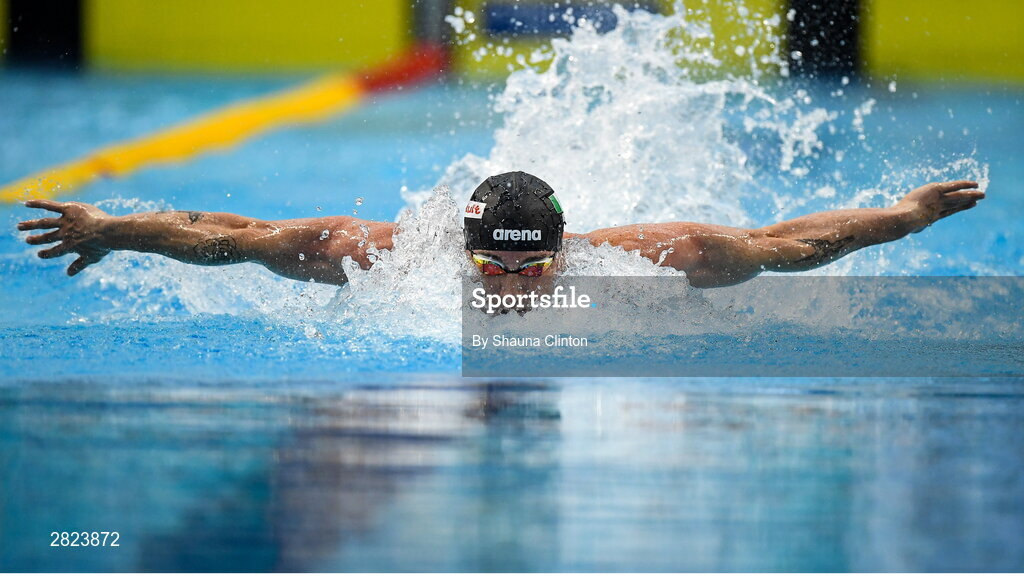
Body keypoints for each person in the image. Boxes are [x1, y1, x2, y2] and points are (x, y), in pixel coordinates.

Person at [17, 171, 983, 291]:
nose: (511, 290)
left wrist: (903, 215)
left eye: (533, 271)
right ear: (466, 249)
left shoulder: (655, 259)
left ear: (564, 250)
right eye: (494, 270)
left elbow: (794, 241)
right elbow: (230, 231)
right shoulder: (385, 260)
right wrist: (115, 228)